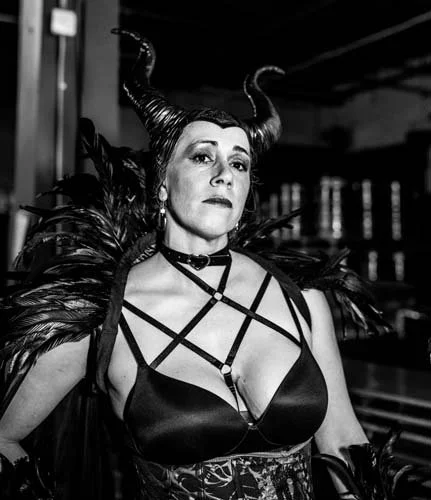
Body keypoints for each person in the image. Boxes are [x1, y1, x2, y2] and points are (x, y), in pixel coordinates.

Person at [0, 29, 409, 500]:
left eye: (239, 164)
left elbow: (341, 442)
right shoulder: (102, 313)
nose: (223, 175)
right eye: (202, 157)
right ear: (162, 184)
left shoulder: (301, 298)